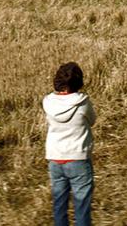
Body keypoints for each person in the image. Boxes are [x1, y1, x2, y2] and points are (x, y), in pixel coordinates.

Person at [43, 62, 97, 226]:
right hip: (78, 158)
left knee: (59, 207)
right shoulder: (83, 103)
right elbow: (92, 121)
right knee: (81, 209)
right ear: (78, 82)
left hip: (55, 159)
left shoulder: (47, 102)